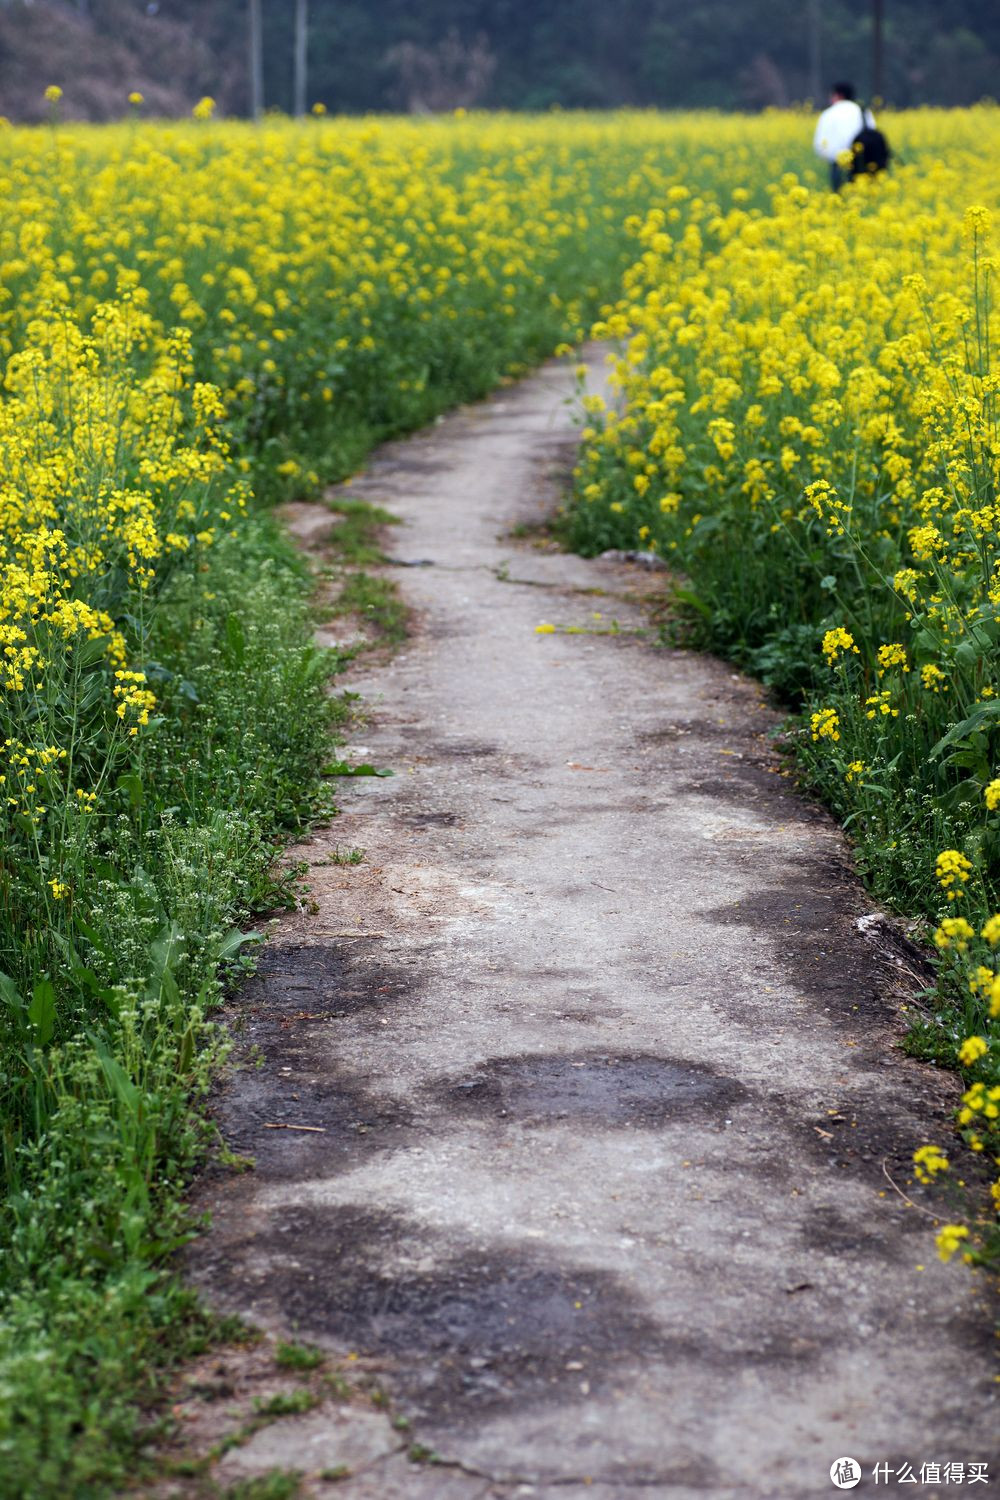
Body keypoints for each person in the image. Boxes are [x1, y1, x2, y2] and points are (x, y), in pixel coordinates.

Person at [813, 81, 875, 191]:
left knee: (839, 200)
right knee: (861, 199)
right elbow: (872, 135)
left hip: (837, 165)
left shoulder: (828, 114)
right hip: (862, 165)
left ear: (839, 95)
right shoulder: (863, 111)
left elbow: (819, 144)